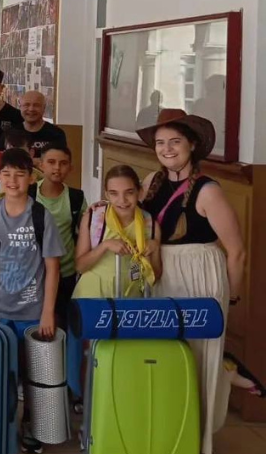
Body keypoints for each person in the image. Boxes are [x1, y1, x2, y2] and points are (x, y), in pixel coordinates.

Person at [137, 110, 244, 454]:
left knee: (199, 357)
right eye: (160, 143)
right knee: (165, 353)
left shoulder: (208, 190)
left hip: (200, 275)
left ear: (192, 145)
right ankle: (168, 430)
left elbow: (237, 251)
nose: (167, 149)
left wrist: (232, 299)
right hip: (161, 272)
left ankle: (197, 439)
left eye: (175, 142)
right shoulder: (151, 180)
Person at [0, 148, 64, 452]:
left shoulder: (40, 216)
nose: (12, 180)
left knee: (32, 374)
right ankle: (0, 424)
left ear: (31, 178)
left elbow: (52, 268)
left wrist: (48, 313)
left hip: (31, 310)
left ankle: (32, 427)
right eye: (6, 174)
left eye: (20, 174)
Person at [74, 165, 157, 299]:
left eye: (129, 192)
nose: (122, 200)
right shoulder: (94, 218)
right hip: (93, 295)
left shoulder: (150, 224)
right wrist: (105, 245)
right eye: (114, 193)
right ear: (106, 195)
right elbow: (80, 267)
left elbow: (156, 276)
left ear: (140, 192)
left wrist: (154, 248)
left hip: (131, 298)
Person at [32, 144, 88, 325]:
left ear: (70, 168)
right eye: (51, 162)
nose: (57, 168)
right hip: (33, 272)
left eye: (63, 163)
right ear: (41, 165)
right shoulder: (29, 193)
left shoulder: (76, 198)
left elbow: (87, 232)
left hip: (65, 272)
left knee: (62, 323)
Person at [20, 91, 66, 158]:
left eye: (36, 105)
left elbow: (60, 160)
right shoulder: (11, 133)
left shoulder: (56, 134)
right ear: (20, 107)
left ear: (44, 108)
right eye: (26, 105)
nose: (31, 109)